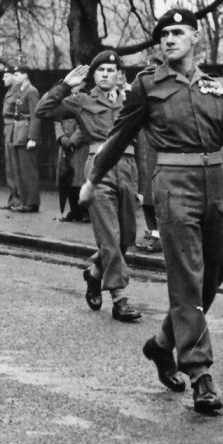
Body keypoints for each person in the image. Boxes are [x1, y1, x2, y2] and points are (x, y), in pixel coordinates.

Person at [84, 8, 223, 414]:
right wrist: (94, 177)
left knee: (211, 278)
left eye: (178, 32)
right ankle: (200, 373)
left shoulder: (216, 86)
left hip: (217, 187)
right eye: (164, 35)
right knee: (187, 279)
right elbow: (119, 136)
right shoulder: (147, 85)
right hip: (174, 186)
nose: (169, 39)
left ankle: (161, 345)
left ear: (195, 37)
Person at [36, 50, 141, 321]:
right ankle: (119, 299)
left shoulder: (130, 99)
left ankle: (94, 274)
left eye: (111, 70)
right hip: (99, 169)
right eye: (100, 71)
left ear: (119, 75)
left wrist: (141, 186)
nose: (105, 75)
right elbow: (43, 110)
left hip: (128, 168)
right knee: (109, 237)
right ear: (93, 75)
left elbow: (143, 140)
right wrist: (64, 85)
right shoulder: (82, 100)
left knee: (125, 238)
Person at [2, 66, 41, 211]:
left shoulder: (32, 91)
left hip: (26, 133)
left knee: (28, 170)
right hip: (19, 132)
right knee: (20, 170)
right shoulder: (21, 91)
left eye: (18, 74)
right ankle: (24, 202)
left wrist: (33, 137)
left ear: (25, 75)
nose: (15, 77)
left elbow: (35, 115)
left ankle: (32, 202)